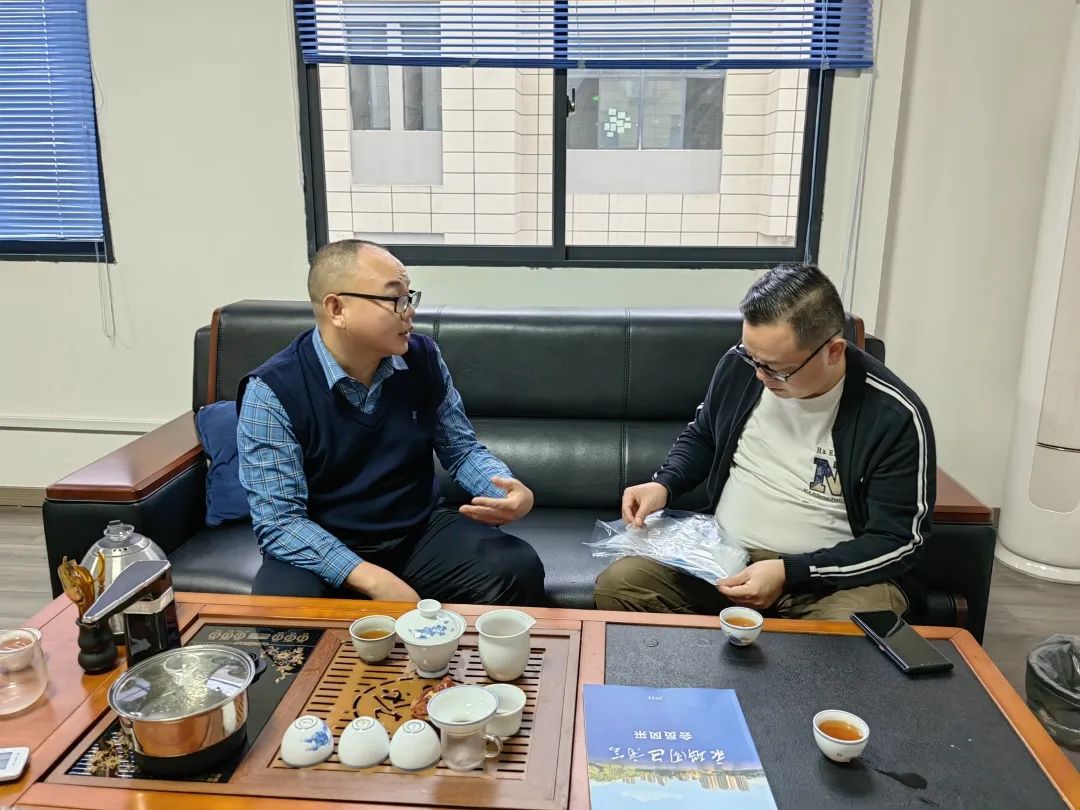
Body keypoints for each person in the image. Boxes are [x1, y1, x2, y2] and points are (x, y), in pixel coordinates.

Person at [594, 263, 935, 621]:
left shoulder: (893, 416)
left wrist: (791, 571)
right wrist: (664, 484)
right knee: (621, 585)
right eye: (752, 357)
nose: (759, 375)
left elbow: (898, 541)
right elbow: (704, 435)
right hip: (724, 560)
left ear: (833, 351)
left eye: (776, 368)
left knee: (854, 631)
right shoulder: (741, 366)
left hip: (831, 583)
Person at [236, 239, 545, 605]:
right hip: (319, 543)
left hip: (416, 533)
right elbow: (281, 522)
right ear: (337, 308)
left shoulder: (423, 359)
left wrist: (506, 492)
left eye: (408, 296)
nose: (409, 312)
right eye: (394, 298)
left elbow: (461, 450)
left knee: (516, 567)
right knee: (284, 607)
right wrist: (371, 578)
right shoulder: (271, 390)